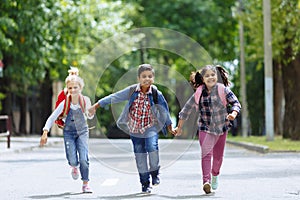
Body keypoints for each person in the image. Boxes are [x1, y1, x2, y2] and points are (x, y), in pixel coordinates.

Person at [88, 64, 175, 193]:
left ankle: (155, 173)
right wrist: (97, 105)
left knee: (152, 147)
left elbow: (164, 110)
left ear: (153, 78)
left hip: (150, 127)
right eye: (144, 76)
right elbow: (115, 97)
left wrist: (169, 126)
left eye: (150, 76)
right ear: (138, 78)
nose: (147, 79)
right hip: (134, 129)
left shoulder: (156, 93)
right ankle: (145, 183)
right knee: (140, 156)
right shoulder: (132, 91)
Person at [174, 65, 241, 194]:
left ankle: (215, 174)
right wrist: (179, 127)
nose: (211, 77)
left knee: (218, 158)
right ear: (203, 79)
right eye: (207, 75)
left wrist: (233, 113)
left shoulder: (223, 90)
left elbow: (236, 103)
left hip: (222, 128)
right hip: (205, 128)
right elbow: (186, 110)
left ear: (217, 77)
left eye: (213, 75)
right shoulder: (199, 93)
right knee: (206, 154)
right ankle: (206, 182)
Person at [40, 74, 94, 193]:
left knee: (84, 158)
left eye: (75, 87)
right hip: (69, 133)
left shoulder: (85, 101)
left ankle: (86, 184)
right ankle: (74, 166)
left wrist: (90, 112)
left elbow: (90, 116)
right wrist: (45, 132)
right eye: (70, 88)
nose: (73, 90)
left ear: (80, 88)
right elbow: (52, 118)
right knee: (72, 159)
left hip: (82, 132)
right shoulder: (64, 103)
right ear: (67, 89)